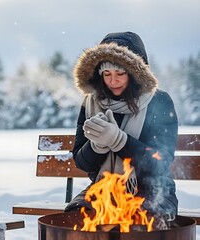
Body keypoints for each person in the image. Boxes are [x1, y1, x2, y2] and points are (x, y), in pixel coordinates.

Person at [64, 32, 179, 227]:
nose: (113, 81)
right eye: (106, 74)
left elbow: (160, 163)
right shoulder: (91, 103)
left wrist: (119, 141)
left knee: (139, 222)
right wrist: (97, 146)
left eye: (120, 73)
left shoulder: (159, 101)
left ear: (135, 74)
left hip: (155, 190)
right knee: (75, 219)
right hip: (103, 189)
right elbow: (82, 163)